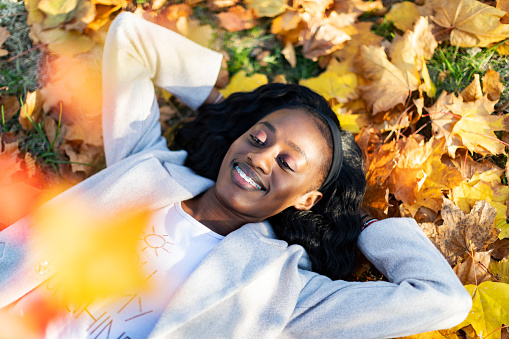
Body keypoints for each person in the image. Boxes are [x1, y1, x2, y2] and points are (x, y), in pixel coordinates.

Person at [0, 12, 471, 338]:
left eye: (288, 163)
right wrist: (224, 107)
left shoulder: (275, 289)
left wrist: (361, 220)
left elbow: (443, 300)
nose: (261, 157)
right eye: (259, 138)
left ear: (306, 200)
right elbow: (130, 38)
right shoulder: (150, 165)